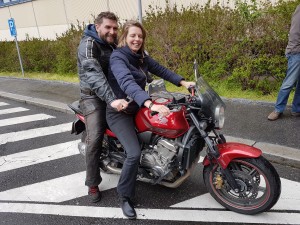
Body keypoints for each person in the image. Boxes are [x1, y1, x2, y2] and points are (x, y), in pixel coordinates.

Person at [106, 20, 195, 219]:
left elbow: (160, 69)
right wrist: (149, 103)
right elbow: (126, 82)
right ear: (125, 37)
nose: (137, 39)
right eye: (133, 36)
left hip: (137, 106)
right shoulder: (118, 57)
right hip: (120, 112)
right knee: (134, 153)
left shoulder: (141, 56)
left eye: (140, 36)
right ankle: (124, 196)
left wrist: (182, 82)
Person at [77, 12, 128, 203]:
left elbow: (129, 61)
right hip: (93, 98)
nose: (112, 31)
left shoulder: (113, 44)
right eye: (108, 27)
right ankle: (92, 183)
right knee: (95, 136)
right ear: (97, 26)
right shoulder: (88, 45)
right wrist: (111, 99)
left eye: (115, 28)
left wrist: (147, 76)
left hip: (114, 94)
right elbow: (93, 74)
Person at [268, 5, 300, 121]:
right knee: (289, 83)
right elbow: (295, 33)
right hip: (296, 52)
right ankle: (278, 110)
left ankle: (297, 109)